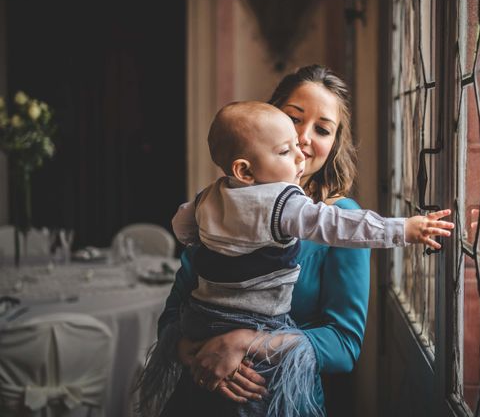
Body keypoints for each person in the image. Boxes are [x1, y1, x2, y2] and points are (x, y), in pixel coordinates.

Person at [151, 65, 450, 416]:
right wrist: (192, 350)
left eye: (322, 129)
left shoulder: (342, 222)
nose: (305, 138)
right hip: (199, 394)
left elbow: (343, 345)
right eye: (294, 119)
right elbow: (173, 310)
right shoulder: (222, 204)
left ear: (334, 144)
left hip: (277, 399)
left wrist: (243, 343)